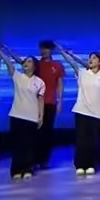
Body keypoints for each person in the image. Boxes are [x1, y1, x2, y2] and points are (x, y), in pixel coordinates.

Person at [0, 41, 45, 180]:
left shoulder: (40, 82)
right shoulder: (17, 76)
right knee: (17, 145)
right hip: (16, 115)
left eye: (29, 61)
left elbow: (40, 100)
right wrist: (0, 50)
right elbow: (9, 63)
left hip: (31, 117)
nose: (26, 63)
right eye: (25, 61)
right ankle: (16, 170)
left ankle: (27, 169)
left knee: (29, 145)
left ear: (34, 66)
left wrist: (41, 116)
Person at [57, 46, 100, 176]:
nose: (91, 60)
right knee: (81, 140)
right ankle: (80, 165)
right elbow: (71, 62)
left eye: (94, 58)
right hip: (81, 111)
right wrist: (64, 52)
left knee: (93, 141)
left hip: (95, 113)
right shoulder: (82, 73)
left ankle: (90, 164)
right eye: (90, 58)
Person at [33, 40, 64, 169]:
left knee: (47, 131)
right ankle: (33, 159)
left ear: (51, 50)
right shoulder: (36, 64)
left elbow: (59, 83)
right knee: (35, 131)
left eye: (46, 48)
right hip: (35, 102)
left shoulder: (57, 65)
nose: (44, 51)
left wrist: (59, 100)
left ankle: (44, 160)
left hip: (50, 103)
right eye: (42, 48)